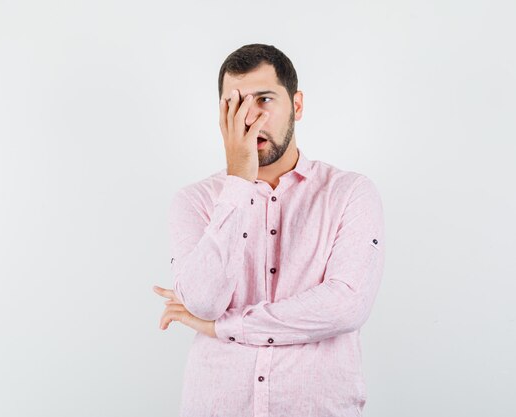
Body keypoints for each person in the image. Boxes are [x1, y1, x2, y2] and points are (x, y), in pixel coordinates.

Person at [152, 43, 385, 417]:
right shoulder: (194, 201)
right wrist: (240, 182)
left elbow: (344, 306)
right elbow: (203, 301)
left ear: (297, 105)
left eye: (264, 99)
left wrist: (223, 326)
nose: (249, 117)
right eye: (234, 103)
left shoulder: (349, 193)